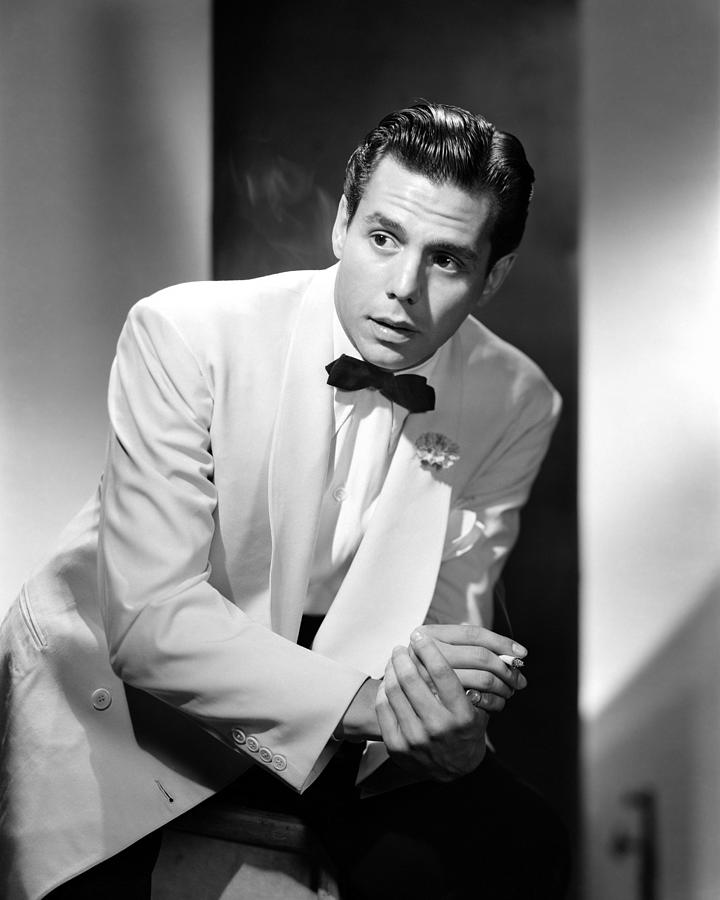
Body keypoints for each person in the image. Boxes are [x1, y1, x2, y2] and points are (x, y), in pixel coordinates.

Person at [0, 101, 568, 899]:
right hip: (117, 686)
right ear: (341, 224)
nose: (403, 289)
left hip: (336, 681)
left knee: (524, 840)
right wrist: (374, 706)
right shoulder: (185, 333)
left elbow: (446, 621)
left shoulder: (518, 399)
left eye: (447, 260)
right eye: (383, 238)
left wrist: (453, 705)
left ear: (492, 276)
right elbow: (152, 624)